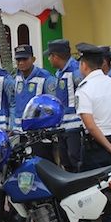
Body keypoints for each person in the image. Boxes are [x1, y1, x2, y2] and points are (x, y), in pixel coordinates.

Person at [75, 43, 111, 170]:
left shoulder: (84, 89)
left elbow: (90, 125)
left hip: (95, 147)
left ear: (84, 65)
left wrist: (109, 148)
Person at [10, 44, 57, 160]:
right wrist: (12, 127)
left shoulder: (45, 78)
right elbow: (14, 103)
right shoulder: (16, 77)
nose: (21, 62)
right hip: (19, 132)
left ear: (33, 59)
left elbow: (53, 105)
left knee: (42, 165)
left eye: (24, 59)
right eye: (18, 59)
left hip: (39, 133)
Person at [44, 39, 84, 172]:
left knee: (75, 160)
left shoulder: (76, 71)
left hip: (75, 127)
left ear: (55, 56)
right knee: (65, 160)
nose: (49, 59)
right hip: (63, 127)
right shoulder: (60, 72)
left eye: (50, 56)